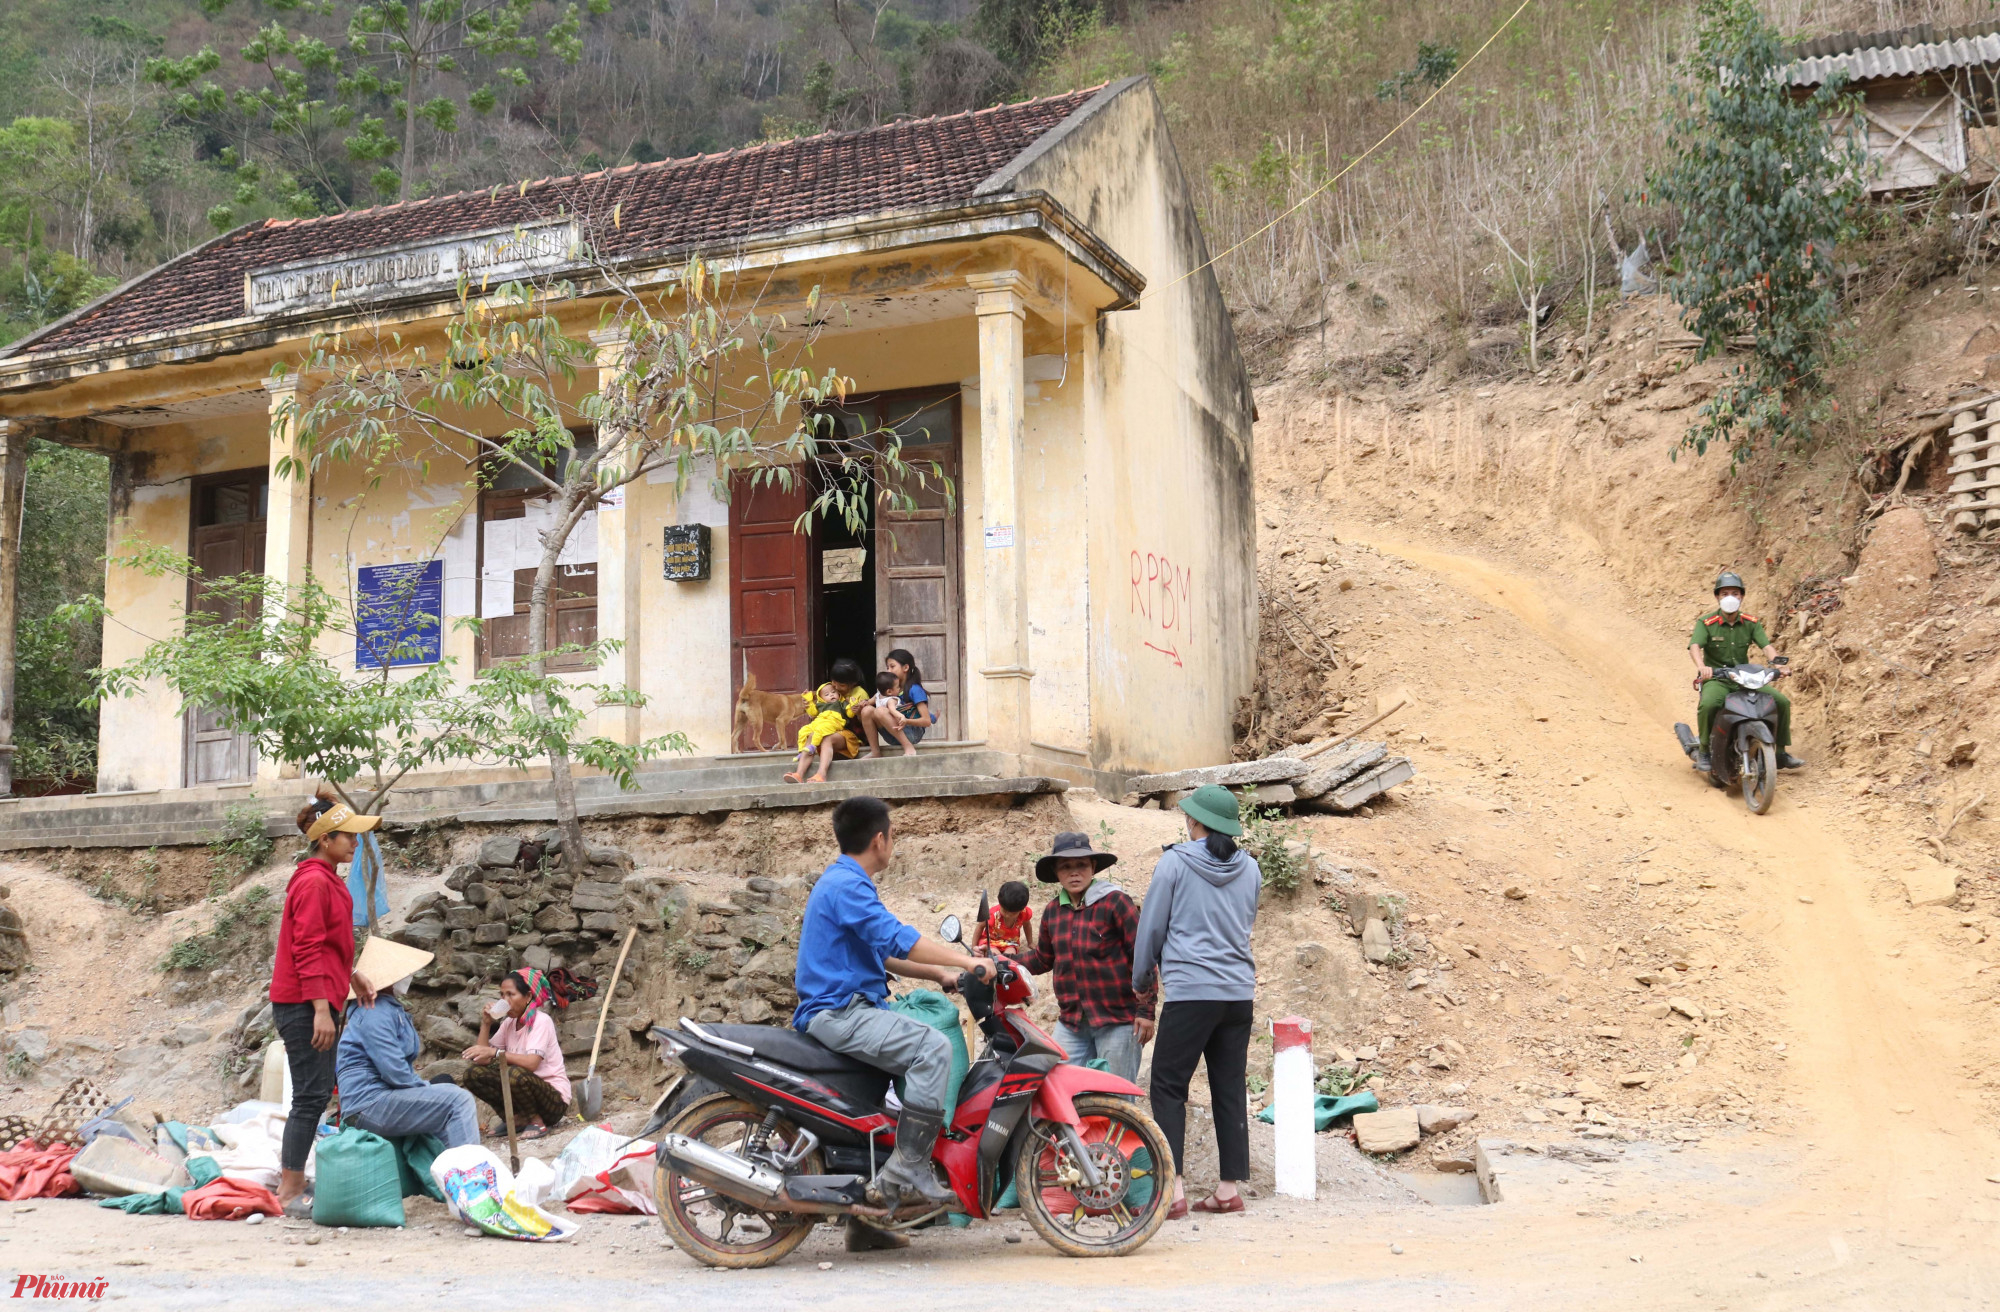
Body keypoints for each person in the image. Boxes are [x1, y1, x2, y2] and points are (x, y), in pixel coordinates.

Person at [794, 796, 994, 1222]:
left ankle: (871, 1220)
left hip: (844, 1007)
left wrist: (938, 976)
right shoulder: (848, 885)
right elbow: (899, 936)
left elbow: (881, 951)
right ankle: (908, 1170)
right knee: (933, 1049)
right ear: (880, 839)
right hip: (840, 1012)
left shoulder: (842, 881)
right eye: (893, 837)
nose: (893, 844)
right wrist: (967, 961)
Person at [1132, 784, 1260, 1220]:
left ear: (1195, 822)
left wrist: (1141, 976)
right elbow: (1245, 923)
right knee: (1228, 1086)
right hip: (1238, 994)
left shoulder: (1174, 862)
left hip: (1190, 992)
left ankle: (1174, 1189)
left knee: (1168, 1085)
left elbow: (1151, 928)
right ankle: (1227, 1189)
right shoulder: (1251, 869)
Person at [270, 795, 382, 1217]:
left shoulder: (327, 879)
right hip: (303, 1004)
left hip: (313, 999)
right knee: (310, 1096)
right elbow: (308, 948)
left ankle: (293, 1179)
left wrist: (351, 975)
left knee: (314, 1094)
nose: (355, 843)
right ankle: (289, 1189)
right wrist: (321, 1008)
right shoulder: (315, 882)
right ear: (326, 839)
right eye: (348, 836)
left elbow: (330, 944)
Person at [1011, 834, 1153, 1085]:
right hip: (1072, 1022)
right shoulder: (1053, 912)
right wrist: (1006, 961)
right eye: (1066, 867)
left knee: (1116, 1097)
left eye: (1081, 865)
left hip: (1117, 1020)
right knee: (1059, 1089)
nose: (1074, 873)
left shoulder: (1115, 902)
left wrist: (1146, 1011)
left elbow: (1142, 956)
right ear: (1056, 872)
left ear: (1093, 868)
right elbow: (1043, 959)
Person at [336, 938, 480, 1149]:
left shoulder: (385, 1008)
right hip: (369, 1103)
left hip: (374, 1100)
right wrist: (425, 1087)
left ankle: (449, 1177)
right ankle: (473, 1175)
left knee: (442, 1113)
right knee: (458, 1100)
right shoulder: (374, 1010)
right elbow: (393, 1069)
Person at [1688, 571, 1802, 773]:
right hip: (1718, 678)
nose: (1730, 597)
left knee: (1781, 702)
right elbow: (1695, 645)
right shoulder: (1706, 623)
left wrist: (1778, 666)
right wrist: (1701, 667)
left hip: (1744, 677)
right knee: (1709, 704)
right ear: (1717, 597)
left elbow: (1766, 647)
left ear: (1741, 596)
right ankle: (1705, 750)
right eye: (1724, 593)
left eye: (1735, 593)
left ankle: (1780, 753)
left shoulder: (1751, 622)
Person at [460, 969, 572, 1138]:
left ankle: (537, 1121)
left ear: (528, 997)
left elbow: (531, 1063)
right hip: (523, 1098)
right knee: (473, 1074)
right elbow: (481, 1060)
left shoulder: (541, 1021)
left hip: (552, 1102)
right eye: (502, 995)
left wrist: (495, 1052)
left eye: (511, 994)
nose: (505, 1000)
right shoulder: (509, 1024)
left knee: (515, 1073)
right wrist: (486, 1023)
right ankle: (516, 1119)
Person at [786, 658, 868, 783]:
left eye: (841, 685)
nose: (836, 688)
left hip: (850, 734)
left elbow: (856, 717)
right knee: (812, 735)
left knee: (826, 738)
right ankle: (799, 774)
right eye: (834, 683)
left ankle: (821, 774)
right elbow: (819, 712)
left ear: (853, 683)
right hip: (829, 728)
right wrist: (809, 704)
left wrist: (856, 710)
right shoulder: (831, 692)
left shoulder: (858, 693)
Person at [858, 648, 935, 758]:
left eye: (892, 666)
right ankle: (875, 751)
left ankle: (908, 747)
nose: (889, 670)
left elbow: (926, 721)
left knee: (880, 711)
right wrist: (861, 707)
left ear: (906, 667)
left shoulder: (915, 690)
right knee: (867, 710)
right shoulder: (888, 690)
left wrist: (906, 721)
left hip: (912, 734)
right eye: (887, 667)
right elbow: (868, 713)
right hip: (893, 733)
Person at [974, 880, 1035, 956]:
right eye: (1004, 911)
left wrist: (1030, 942)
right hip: (991, 941)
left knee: (1010, 955)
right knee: (994, 955)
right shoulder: (992, 914)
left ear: (1021, 910)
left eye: (1012, 913)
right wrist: (974, 947)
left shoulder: (1024, 913)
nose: (1007, 915)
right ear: (999, 902)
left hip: (1010, 942)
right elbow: (980, 927)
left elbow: (1027, 925)